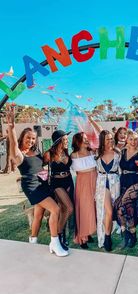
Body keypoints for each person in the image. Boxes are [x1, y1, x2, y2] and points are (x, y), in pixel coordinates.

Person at [6, 106, 68, 257]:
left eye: (33, 138)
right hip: (32, 187)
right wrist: (11, 128)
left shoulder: (37, 151)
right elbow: (13, 145)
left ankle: (32, 241)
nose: (31, 140)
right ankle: (54, 243)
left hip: (43, 184)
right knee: (55, 209)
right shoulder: (19, 155)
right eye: (28, 138)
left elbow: (43, 163)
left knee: (38, 214)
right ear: (22, 138)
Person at [113, 131, 138, 248]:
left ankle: (127, 233)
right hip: (124, 181)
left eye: (136, 139)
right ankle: (130, 234)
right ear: (127, 140)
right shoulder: (123, 152)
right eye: (131, 139)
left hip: (136, 182)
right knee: (124, 209)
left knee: (122, 204)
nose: (133, 142)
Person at [44, 130, 74, 251]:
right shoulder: (49, 154)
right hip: (56, 183)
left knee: (64, 210)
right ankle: (58, 234)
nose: (67, 141)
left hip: (68, 181)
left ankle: (60, 236)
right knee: (69, 208)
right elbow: (37, 165)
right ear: (58, 141)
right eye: (65, 140)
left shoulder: (67, 152)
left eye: (67, 139)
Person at [95, 130, 120, 251]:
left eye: (111, 138)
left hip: (114, 184)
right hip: (102, 184)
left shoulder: (117, 153)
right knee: (107, 211)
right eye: (107, 139)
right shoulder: (96, 153)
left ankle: (108, 233)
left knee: (111, 212)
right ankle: (107, 236)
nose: (110, 141)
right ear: (102, 141)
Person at [71, 132, 97, 248]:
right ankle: (82, 238)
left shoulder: (92, 151)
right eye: (84, 139)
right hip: (83, 184)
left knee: (94, 208)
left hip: (95, 181)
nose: (87, 140)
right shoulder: (74, 155)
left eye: (87, 139)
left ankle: (89, 232)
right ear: (78, 141)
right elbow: (77, 171)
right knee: (84, 209)